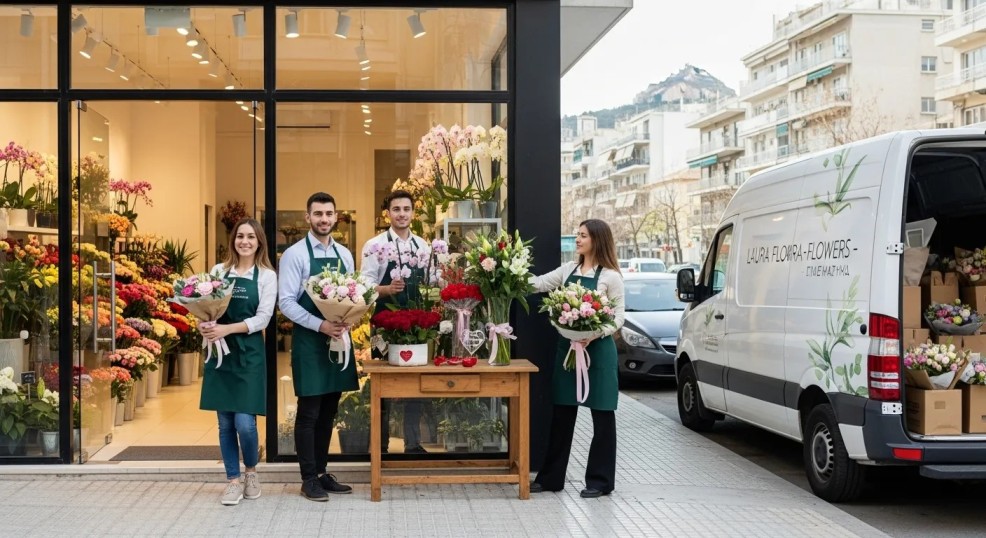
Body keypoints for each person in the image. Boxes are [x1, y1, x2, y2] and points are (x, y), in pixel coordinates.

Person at [528, 219, 625, 498]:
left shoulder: (611, 277)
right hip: (568, 350)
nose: (578, 240)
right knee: (562, 414)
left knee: (603, 416)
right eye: (577, 235)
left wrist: (595, 334)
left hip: (599, 352)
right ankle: (551, 478)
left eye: (583, 235)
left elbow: (619, 316)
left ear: (597, 240)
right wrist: (509, 272)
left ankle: (600, 482)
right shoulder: (568, 269)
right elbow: (539, 284)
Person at [277, 192, 358, 501]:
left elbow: (352, 294)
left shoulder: (345, 254)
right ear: (307, 217)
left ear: (336, 216)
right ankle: (308, 478)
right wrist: (320, 324)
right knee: (309, 411)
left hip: (337, 340)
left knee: (329, 410)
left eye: (328, 214)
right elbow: (286, 302)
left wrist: (348, 319)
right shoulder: (294, 254)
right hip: (310, 341)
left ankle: (322, 472)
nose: (324, 219)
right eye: (318, 214)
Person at [199, 218, 277, 506]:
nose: (245, 241)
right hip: (220, 353)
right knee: (225, 423)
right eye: (240, 236)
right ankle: (232, 480)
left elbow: (263, 318)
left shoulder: (267, 276)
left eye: (251, 237)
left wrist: (227, 329)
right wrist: (203, 326)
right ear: (233, 240)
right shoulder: (219, 271)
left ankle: (251, 472)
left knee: (245, 423)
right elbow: (205, 309)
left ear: (259, 242)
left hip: (249, 354)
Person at [361, 190, 429, 454]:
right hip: (384, 321)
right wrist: (386, 290)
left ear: (413, 213)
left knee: (416, 381)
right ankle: (381, 445)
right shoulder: (375, 245)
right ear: (387, 213)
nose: (402, 214)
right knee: (382, 381)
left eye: (406, 209)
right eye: (396, 209)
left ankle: (413, 444)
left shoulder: (422, 246)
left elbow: (431, 281)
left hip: (417, 324)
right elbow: (364, 286)